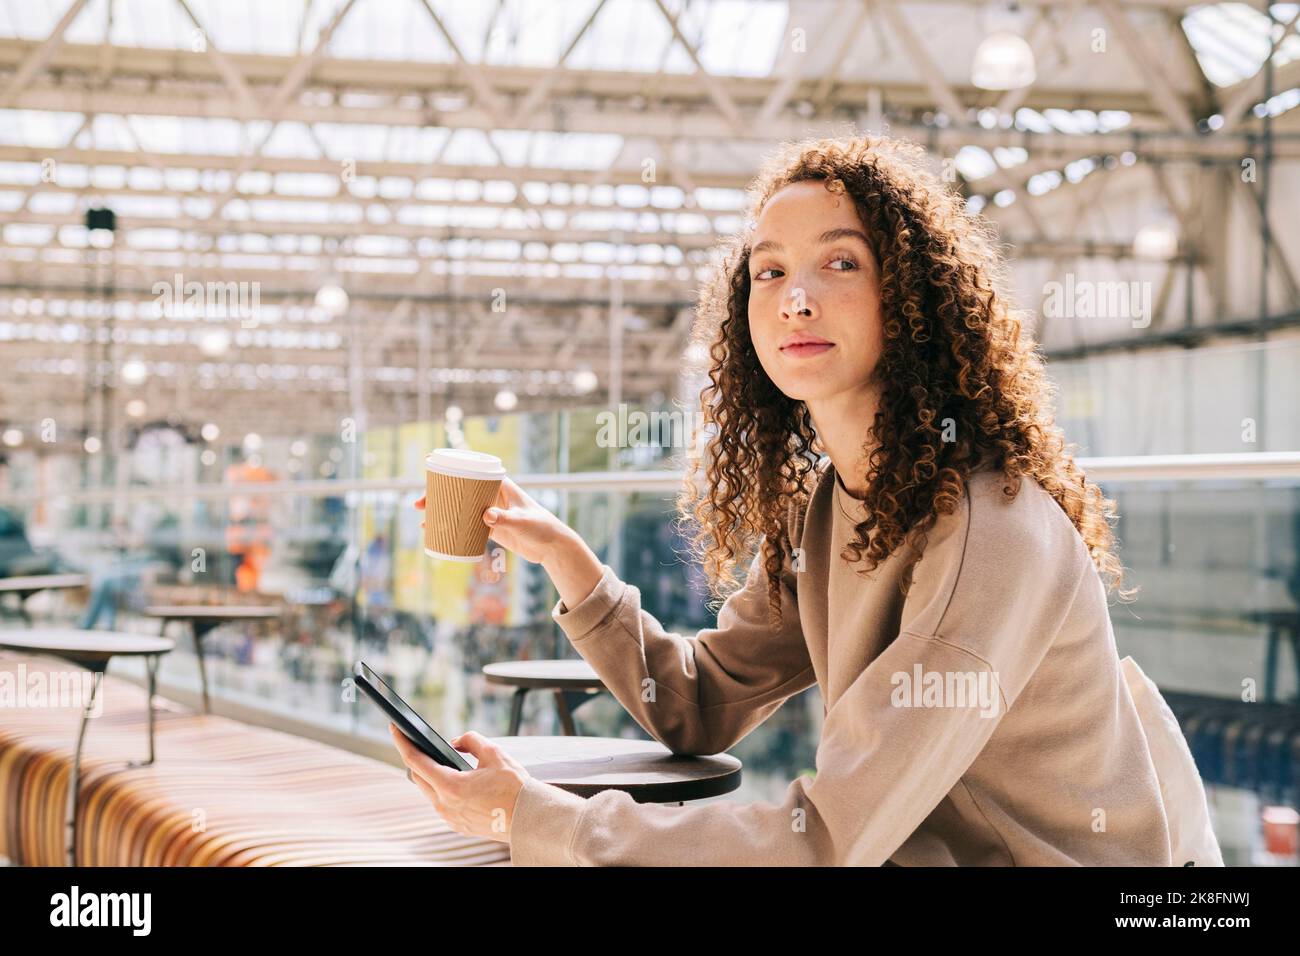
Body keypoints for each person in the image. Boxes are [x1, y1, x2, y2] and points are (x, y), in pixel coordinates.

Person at [390, 134, 1220, 866]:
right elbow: (697, 705)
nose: (795, 297)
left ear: (912, 299)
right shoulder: (831, 507)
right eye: (771, 271)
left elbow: (825, 842)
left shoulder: (986, 531)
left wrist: (534, 817)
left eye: (841, 262)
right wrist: (568, 560)